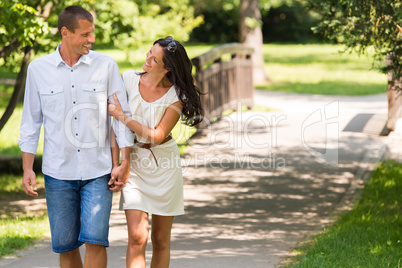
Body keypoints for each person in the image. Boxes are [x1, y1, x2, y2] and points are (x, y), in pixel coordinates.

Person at [18, 5, 133, 268]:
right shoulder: (38, 69)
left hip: (98, 169)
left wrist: (124, 161)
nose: (91, 39)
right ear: (65, 32)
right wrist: (27, 168)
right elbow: (30, 123)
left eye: (92, 33)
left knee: (96, 241)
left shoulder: (106, 65)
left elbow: (121, 117)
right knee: (66, 246)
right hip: (58, 172)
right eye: (85, 34)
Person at [108, 36, 203, 268]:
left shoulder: (176, 95)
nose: (147, 59)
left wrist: (122, 116)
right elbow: (115, 128)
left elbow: (157, 135)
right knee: (137, 236)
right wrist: (117, 163)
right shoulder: (128, 79)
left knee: (160, 240)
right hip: (134, 162)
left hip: (164, 165)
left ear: (167, 68)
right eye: (149, 53)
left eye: (154, 58)